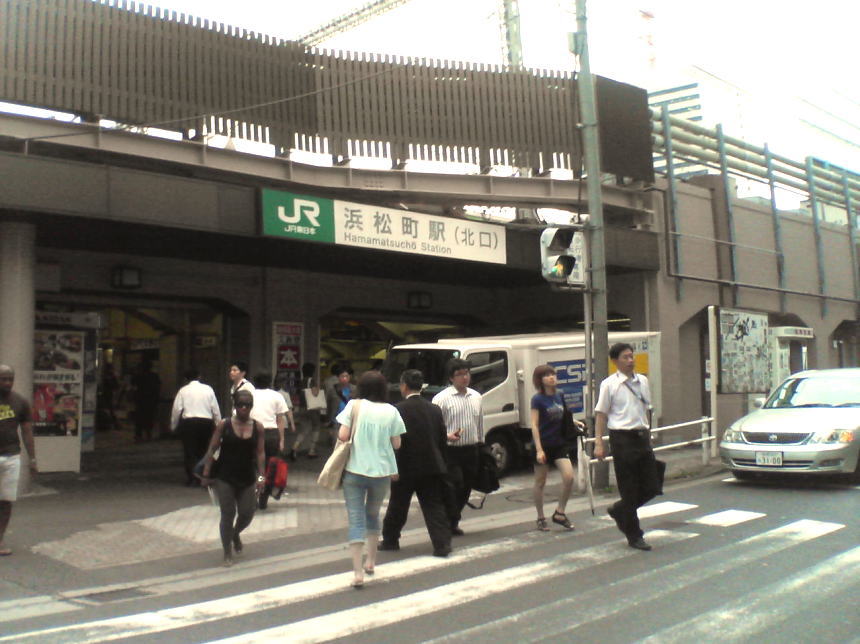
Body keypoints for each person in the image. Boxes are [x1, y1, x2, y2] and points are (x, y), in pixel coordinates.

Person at [336, 370, 405, 588]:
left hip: (355, 471)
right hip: (381, 473)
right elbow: (397, 444)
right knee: (373, 515)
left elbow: (343, 436)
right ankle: (372, 561)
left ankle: (357, 573)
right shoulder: (391, 410)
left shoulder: (353, 406)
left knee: (356, 519)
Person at [594, 342, 659, 551]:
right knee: (629, 489)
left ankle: (619, 509)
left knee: (652, 485)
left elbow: (647, 408)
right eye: (625, 357)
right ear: (615, 361)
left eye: (632, 356)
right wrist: (599, 443)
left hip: (642, 436)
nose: (631, 360)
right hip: (621, 439)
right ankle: (634, 535)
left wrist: (650, 432)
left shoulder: (643, 381)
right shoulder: (609, 384)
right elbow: (601, 415)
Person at [380, 369, 451, 557]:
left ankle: (390, 539)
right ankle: (442, 544)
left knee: (398, 504)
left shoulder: (397, 410)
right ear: (422, 387)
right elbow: (441, 439)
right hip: (431, 464)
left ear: (404, 386)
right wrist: (442, 462)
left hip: (405, 465)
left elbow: (392, 441)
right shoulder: (434, 409)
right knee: (433, 505)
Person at [200, 389, 265, 566]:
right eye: (240, 405)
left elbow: (260, 453)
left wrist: (261, 477)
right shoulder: (224, 425)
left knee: (247, 513)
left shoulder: (258, 427)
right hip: (225, 476)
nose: (244, 408)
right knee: (227, 514)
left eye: (248, 405)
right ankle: (227, 551)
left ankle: (235, 533)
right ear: (235, 406)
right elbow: (212, 449)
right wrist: (206, 473)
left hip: (247, 476)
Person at [432, 358, 483, 537]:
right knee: (455, 484)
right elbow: (434, 427)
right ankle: (446, 519)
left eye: (466, 373)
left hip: (471, 449)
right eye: (459, 374)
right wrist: (446, 436)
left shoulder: (476, 397)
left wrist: (481, 443)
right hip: (450, 450)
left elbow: (479, 423)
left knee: (466, 486)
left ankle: (453, 521)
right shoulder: (441, 399)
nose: (464, 377)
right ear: (451, 378)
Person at [530, 364, 576, 532]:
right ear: (540, 380)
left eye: (553, 374)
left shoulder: (560, 395)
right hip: (543, 444)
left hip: (559, 444)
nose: (551, 377)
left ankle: (560, 512)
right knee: (540, 481)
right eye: (546, 375)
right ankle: (540, 517)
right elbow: (534, 424)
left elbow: (564, 417)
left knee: (569, 477)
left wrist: (575, 423)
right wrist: (539, 449)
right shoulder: (537, 399)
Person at [0, 365, 37, 556]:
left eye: (10, 379)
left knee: (6, 501)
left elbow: (27, 431)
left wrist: (32, 459)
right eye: (3, 378)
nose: (7, 382)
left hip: (11, 456)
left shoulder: (20, 402)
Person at [170, 368, 221, 486]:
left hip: (189, 423)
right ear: (199, 376)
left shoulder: (183, 391)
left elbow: (176, 410)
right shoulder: (208, 389)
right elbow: (215, 409)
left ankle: (192, 478)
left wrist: (174, 425)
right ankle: (202, 475)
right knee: (203, 450)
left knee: (189, 451)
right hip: (206, 423)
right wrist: (219, 425)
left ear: (186, 379)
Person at [250, 372, 293, 509]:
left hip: (252, 433)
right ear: (270, 382)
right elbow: (280, 420)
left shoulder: (249, 394)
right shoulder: (277, 396)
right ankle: (263, 496)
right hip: (271, 435)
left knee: (255, 467)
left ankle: (252, 495)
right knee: (269, 468)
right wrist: (281, 440)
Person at [291, 362, 324, 460]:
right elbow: (315, 393)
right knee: (316, 428)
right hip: (312, 408)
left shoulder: (301, 381)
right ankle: (312, 450)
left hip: (302, 407)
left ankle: (295, 447)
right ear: (313, 372)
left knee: (304, 429)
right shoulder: (312, 381)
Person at [132, 360, 161, 442]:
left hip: (140, 399)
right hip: (151, 400)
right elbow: (157, 387)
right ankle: (148, 434)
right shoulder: (154, 376)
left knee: (139, 418)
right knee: (149, 417)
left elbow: (133, 385)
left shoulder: (138, 376)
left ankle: (138, 435)